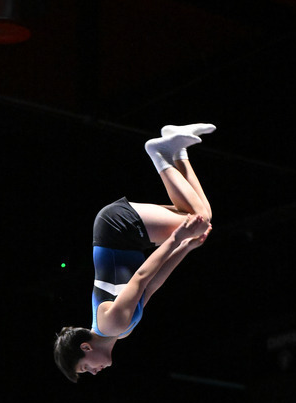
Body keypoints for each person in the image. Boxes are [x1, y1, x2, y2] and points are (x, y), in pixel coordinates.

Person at [54, 123, 215, 381]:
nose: (93, 372)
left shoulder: (112, 325)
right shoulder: (122, 332)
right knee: (198, 216)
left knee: (199, 221)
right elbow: (152, 284)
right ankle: (177, 151)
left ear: (86, 348)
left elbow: (141, 276)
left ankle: (159, 152)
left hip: (117, 229)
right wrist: (185, 247)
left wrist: (176, 239)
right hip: (120, 234)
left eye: (85, 368)